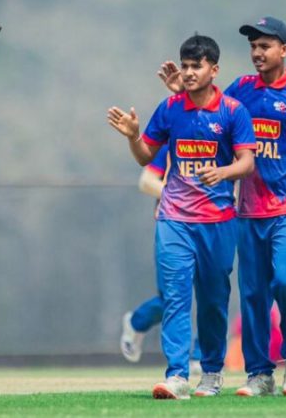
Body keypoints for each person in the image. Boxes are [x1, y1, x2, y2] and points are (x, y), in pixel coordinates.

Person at [158, 16, 286, 396]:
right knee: (252, 296)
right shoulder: (242, 90)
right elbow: (211, 110)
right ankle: (259, 374)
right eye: (253, 46)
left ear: (284, 49)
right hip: (248, 210)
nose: (257, 52)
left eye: (265, 45)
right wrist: (181, 91)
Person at [107, 34, 256, 399]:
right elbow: (146, 158)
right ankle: (176, 375)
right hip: (174, 220)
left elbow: (247, 163)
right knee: (175, 296)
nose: (189, 73)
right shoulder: (170, 108)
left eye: (196, 66)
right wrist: (133, 136)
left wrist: (222, 172)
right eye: (185, 66)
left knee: (213, 300)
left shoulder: (233, 111)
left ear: (213, 70)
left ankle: (212, 372)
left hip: (219, 221)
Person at [120, 144, 202, 372]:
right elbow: (146, 181)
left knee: (212, 295)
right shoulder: (173, 141)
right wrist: (186, 196)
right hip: (174, 228)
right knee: (172, 298)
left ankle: (201, 356)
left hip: (214, 227)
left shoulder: (225, 135)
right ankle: (137, 322)